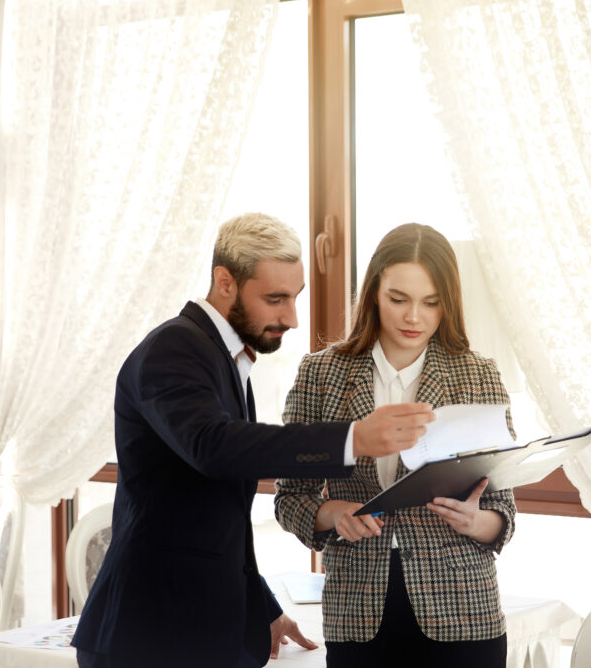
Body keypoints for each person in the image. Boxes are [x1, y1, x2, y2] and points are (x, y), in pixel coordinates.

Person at [71, 214, 435, 668]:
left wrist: (261, 606)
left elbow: (210, 520)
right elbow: (216, 448)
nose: (292, 317)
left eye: (295, 297)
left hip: (197, 630)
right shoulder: (174, 350)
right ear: (225, 282)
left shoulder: (224, 359)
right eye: (275, 299)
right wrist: (352, 438)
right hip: (153, 633)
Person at [274, 223, 517, 668]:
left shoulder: (478, 375)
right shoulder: (320, 375)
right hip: (357, 613)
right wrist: (333, 514)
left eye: (430, 303)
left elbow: (504, 514)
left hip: (463, 613)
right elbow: (290, 498)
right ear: (373, 294)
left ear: (448, 303)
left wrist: (475, 521)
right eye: (399, 299)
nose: (413, 318)